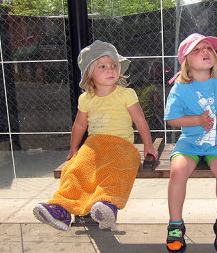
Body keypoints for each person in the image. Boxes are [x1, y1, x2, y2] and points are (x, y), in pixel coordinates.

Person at [33, 40, 158, 231]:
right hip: (94, 145)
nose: (110, 70)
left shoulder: (127, 94)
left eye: (113, 66)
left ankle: (107, 204)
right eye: (102, 66)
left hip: (121, 145)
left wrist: (148, 145)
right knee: (75, 170)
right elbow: (79, 125)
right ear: (90, 74)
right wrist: (74, 148)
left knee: (118, 168)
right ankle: (61, 208)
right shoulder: (86, 99)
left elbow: (140, 121)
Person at [164, 33, 217, 253]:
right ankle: (175, 224)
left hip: (216, 142)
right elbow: (172, 119)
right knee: (178, 171)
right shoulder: (180, 87)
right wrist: (198, 121)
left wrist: (214, 120)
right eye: (197, 50)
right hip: (189, 142)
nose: (205, 51)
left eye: (208, 48)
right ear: (186, 61)